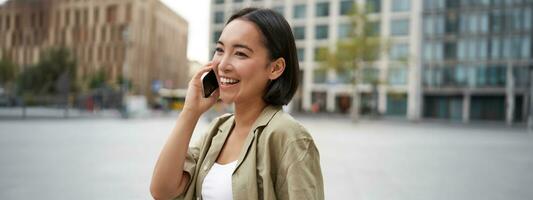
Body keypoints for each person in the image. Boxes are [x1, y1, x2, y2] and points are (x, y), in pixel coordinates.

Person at [150, 7, 324, 200]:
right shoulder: (218, 130)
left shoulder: (289, 136)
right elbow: (162, 191)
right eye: (219, 50)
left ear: (275, 68)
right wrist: (190, 112)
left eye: (240, 53)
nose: (223, 64)